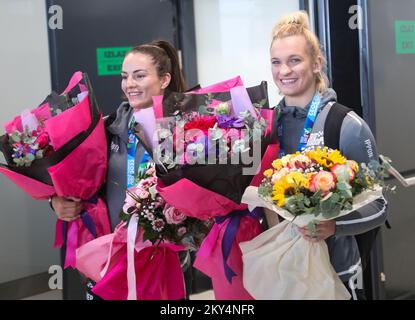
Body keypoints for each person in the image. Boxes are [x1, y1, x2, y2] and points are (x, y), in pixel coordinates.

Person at [50, 39, 189, 299]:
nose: (129, 84)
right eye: (125, 77)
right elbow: (75, 181)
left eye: (139, 76)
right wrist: (55, 200)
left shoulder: (187, 131)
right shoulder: (105, 129)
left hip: (163, 257)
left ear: (165, 79)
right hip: (110, 254)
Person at [268, 11, 387, 299]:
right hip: (282, 271)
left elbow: (380, 206)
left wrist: (333, 225)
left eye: (294, 60)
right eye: (276, 62)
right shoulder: (266, 125)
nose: (284, 71)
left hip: (337, 272)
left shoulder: (346, 125)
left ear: (316, 63)